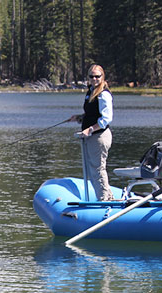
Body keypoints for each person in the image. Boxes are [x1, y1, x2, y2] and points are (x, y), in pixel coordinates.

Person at [67, 64, 114, 201]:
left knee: (98, 169)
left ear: (102, 77)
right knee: (93, 170)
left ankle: (104, 199)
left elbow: (106, 118)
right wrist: (80, 117)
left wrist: (91, 128)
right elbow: (92, 113)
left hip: (99, 136)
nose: (94, 79)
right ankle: (106, 197)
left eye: (97, 76)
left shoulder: (103, 94)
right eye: (91, 76)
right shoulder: (91, 92)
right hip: (91, 136)